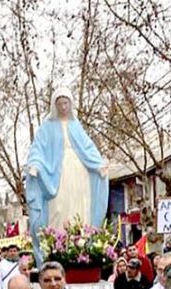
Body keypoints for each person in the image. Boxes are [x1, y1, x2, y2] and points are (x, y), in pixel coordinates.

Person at [24, 87, 108, 264]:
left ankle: (80, 245)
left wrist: (99, 165)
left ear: (71, 105)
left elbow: (89, 149)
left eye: (66, 103)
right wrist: (35, 165)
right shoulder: (47, 127)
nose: (63, 107)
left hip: (78, 171)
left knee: (79, 208)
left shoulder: (76, 126)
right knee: (59, 207)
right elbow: (37, 149)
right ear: (55, 106)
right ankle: (56, 245)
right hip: (56, 175)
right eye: (60, 103)